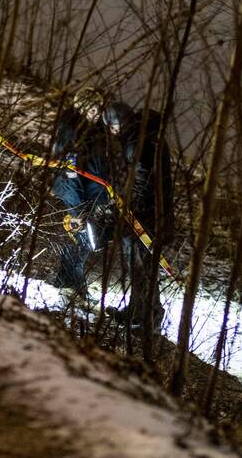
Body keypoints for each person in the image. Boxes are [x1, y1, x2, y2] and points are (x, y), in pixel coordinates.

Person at [100, 100, 174, 332]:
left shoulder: (139, 142)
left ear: (119, 124)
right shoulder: (147, 137)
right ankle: (137, 311)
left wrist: (130, 205)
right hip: (151, 212)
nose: (111, 133)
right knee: (138, 265)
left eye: (111, 127)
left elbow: (142, 178)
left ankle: (146, 318)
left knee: (141, 265)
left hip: (146, 215)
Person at [49, 98, 118, 297]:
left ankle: (70, 283)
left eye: (100, 110)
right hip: (77, 194)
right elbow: (69, 171)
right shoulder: (71, 130)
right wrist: (77, 207)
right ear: (83, 106)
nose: (98, 114)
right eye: (94, 108)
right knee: (80, 238)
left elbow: (96, 167)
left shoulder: (94, 132)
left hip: (90, 194)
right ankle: (69, 285)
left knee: (87, 240)